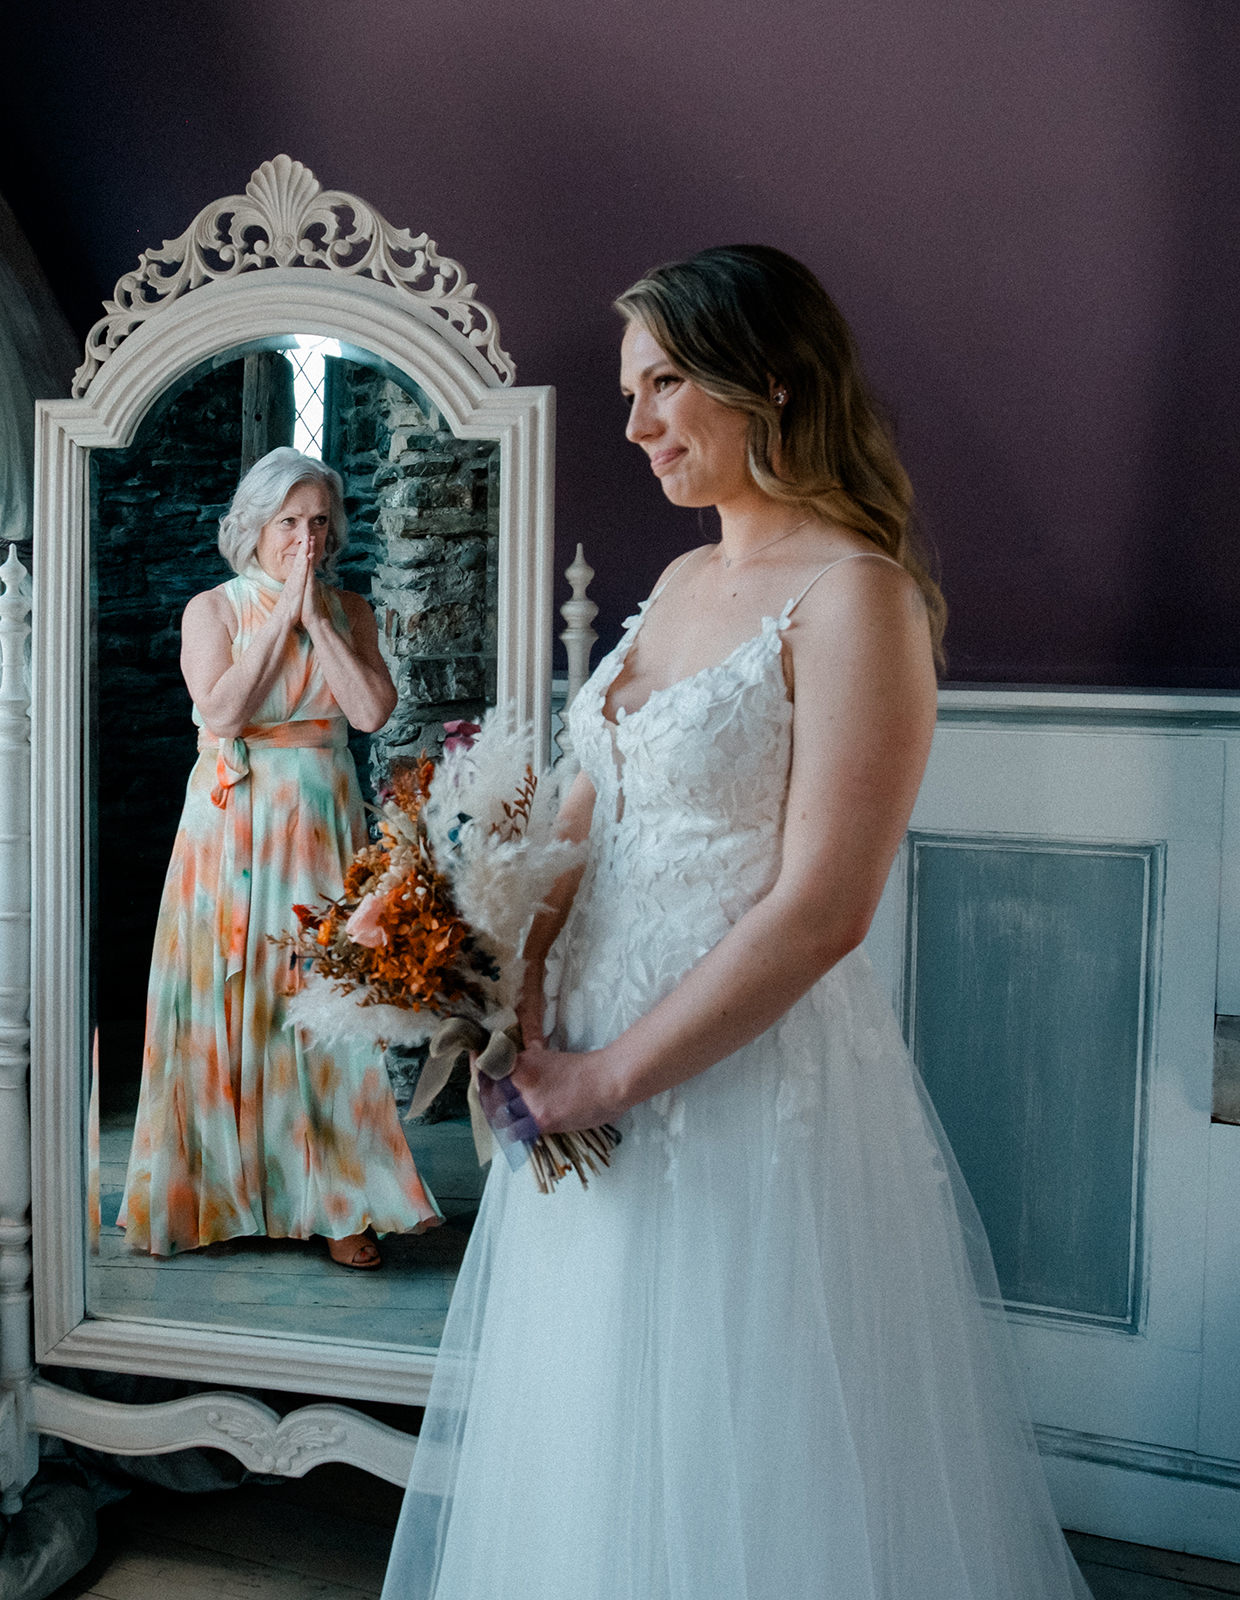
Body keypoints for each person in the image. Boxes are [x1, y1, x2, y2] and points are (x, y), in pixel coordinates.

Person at [381, 246, 1090, 1597]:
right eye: (632, 390)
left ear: (767, 380)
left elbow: (826, 907)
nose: (637, 422)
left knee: (743, 1446)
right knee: (596, 1430)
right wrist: (504, 983)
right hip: (578, 1078)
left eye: (665, 386)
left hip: (741, 1098)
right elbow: (593, 808)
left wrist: (608, 1074)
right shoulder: (676, 584)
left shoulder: (857, 597)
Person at [117, 447, 440, 1270]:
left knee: (328, 994)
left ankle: (337, 1201)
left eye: (318, 522)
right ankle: (207, 1194)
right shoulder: (212, 611)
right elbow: (221, 712)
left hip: (322, 818)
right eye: (289, 522)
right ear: (255, 529)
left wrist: (317, 620)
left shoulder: (352, 612)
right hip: (232, 823)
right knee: (225, 996)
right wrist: (278, 621)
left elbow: (370, 711)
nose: (305, 537)